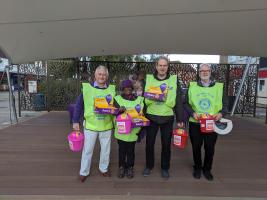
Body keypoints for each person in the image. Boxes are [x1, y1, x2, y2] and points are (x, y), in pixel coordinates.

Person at [184, 63, 228, 181]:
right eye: (202, 71)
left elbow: (225, 104)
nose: (204, 72)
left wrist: (221, 113)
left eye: (207, 70)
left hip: (211, 124)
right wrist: (192, 113)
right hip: (195, 123)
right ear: (199, 73)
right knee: (196, 147)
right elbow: (185, 103)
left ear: (210, 72)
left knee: (209, 148)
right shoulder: (192, 86)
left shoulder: (219, 87)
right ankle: (198, 168)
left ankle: (207, 169)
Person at [143, 56, 184, 179]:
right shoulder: (149, 79)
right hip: (151, 116)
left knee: (166, 144)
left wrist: (180, 119)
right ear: (156, 66)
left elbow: (178, 99)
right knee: (149, 143)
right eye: (160, 65)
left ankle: (165, 168)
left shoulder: (173, 80)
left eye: (164, 65)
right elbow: (142, 99)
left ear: (167, 67)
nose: (162, 67)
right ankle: (149, 166)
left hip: (167, 117)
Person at [72, 65, 115, 182]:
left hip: (106, 125)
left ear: (107, 76)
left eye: (104, 74)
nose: (102, 76)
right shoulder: (87, 89)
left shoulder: (111, 90)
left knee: (106, 150)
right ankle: (83, 171)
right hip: (90, 126)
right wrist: (75, 120)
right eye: (99, 74)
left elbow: (115, 106)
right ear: (95, 75)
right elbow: (79, 105)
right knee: (87, 150)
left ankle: (104, 169)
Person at [113, 79, 144, 179]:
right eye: (126, 88)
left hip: (133, 131)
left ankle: (130, 167)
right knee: (122, 150)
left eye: (130, 88)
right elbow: (113, 112)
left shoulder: (139, 99)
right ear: (122, 89)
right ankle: (122, 167)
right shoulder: (117, 99)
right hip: (121, 131)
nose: (128, 90)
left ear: (132, 89)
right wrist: (119, 110)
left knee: (131, 151)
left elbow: (142, 113)